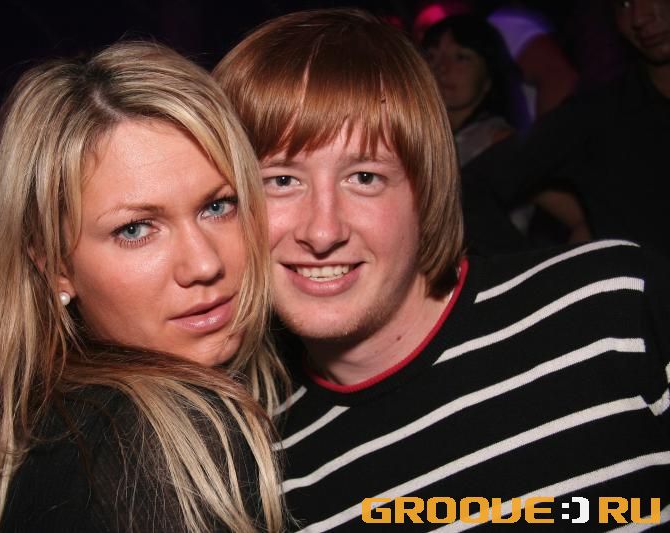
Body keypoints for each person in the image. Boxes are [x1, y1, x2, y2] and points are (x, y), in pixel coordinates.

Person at [214, 9, 670, 531]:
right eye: (280, 180)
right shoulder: (261, 480)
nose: (322, 232)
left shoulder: (611, 308)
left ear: (426, 191)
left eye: (364, 177)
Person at [0, 41, 287, 533]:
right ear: (54, 267)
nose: (204, 264)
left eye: (217, 206)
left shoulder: (62, 427)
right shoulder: (163, 443)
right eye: (134, 229)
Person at [467, 0, 670, 256]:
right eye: (623, 4)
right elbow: (471, 186)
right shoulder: (600, 114)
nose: (639, 17)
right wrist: (538, 272)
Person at [423, 14, 520, 166]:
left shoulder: (499, 143)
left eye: (461, 57)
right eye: (431, 57)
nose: (441, 67)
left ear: (488, 76)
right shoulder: (412, 136)